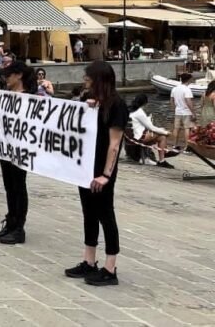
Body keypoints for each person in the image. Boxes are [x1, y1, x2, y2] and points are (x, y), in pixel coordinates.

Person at [64, 61, 127, 286]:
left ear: (99, 80)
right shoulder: (92, 103)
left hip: (102, 169)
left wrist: (106, 175)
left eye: (88, 78)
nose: (85, 81)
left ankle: (110, 267)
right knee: (88, 212)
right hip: (86, 167)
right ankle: (89, 260)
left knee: (105, 214)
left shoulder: (117, 105)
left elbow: (114, 144)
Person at [0, 61, 35, 245]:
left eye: (8, 75)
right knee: (9, 186)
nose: (5, 78)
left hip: (21, 149)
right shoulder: (5, 95)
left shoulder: (30, 98)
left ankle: (19, 227)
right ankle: (11, 222)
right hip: (5, 148)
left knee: (18, 186)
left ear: (19, 76)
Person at [128, 94, 174, 168]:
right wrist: (166, 132)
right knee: (162, 135)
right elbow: (152, 128)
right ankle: (163, 157)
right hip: (137, 137)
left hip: (129, 136)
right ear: (145, 103)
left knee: (161, 137)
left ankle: (163, 156)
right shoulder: (139, 112)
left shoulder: (130, 110)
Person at [170, 72, 196, 150]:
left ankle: (174, 145)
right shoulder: (187, 89)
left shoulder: (174, 88)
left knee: (176, 128)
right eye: (191, 79)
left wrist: (174, 109)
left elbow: (171, 100)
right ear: (189, 80)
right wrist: (193, 113)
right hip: (186, 112)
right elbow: (189, 102)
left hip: (177, 111)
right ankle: (187, 147)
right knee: (187, 128)